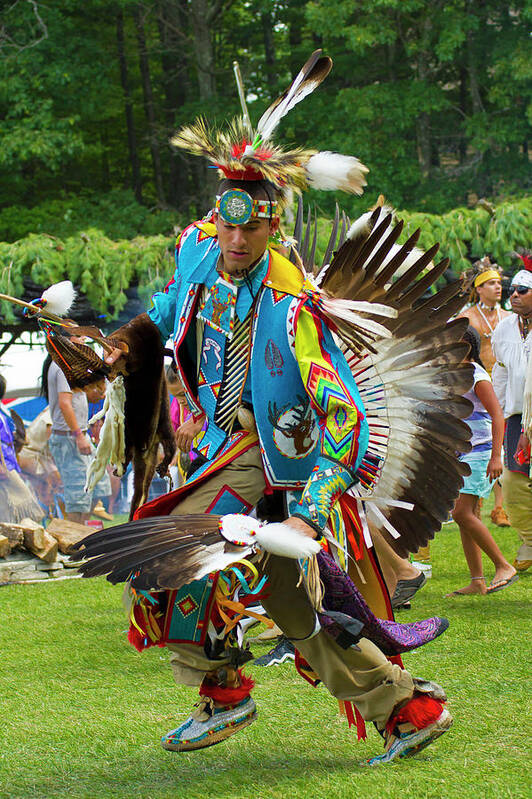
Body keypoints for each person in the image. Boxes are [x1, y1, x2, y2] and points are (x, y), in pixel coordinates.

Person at [54, 52, 473, 766]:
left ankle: (222, 694)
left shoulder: (292, 306)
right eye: (230, 227)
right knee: (294, 605)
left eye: (253, 230)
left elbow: (345, 421)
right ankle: (405, 706)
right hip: (225, 447)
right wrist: (118, 351)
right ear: (217, 219)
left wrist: (311, 512)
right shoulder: (195, 254)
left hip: (278, 460)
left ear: (273, 227)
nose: (238, 241)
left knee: (171, 549)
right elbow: (162, 314)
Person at [446, 327, 517, 596]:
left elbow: (498, 416)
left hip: (480, 451)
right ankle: (477, 581)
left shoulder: (477, 376)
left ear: (465, 345)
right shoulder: (455, 375)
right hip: (462, 453)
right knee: (467, 516)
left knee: (462, 513)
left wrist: (496, 456)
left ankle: (503, 566)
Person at [458, 259, 511, 527]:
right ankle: (474, 504)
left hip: (500, 385)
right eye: (491, 283)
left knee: (500, 444)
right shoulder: (466, 318)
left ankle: (500, 507)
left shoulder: (509, 318)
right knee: (480, 445)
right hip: (474, 389)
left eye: (500, 283)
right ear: (479, 288)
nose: (497, 287)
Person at [492, 260, 532, 573]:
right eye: (513, 290)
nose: (514, 295)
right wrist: (499, 415)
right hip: (516, 418)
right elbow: (501, 373)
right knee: (513, 484)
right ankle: (530, 540)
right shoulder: (505, 328)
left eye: (523, 290)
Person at [43, 350, 111, 523]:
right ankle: (74, 539)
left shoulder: (71, 367)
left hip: (79, 436)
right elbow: (65, 404)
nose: (83, 341)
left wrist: (91, 395)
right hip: (70, 439)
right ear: (67, 342)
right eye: (79, 337)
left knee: (100, 486)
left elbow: (72, 400)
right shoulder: (62, 366)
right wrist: (79, 435)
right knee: (78, 497)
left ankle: (81, 532)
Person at [0, 374, 42, 523]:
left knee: (11, 507)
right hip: (3, 467)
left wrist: (15, 440)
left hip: (8, 465)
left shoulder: (2, 417)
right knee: (14, 505)